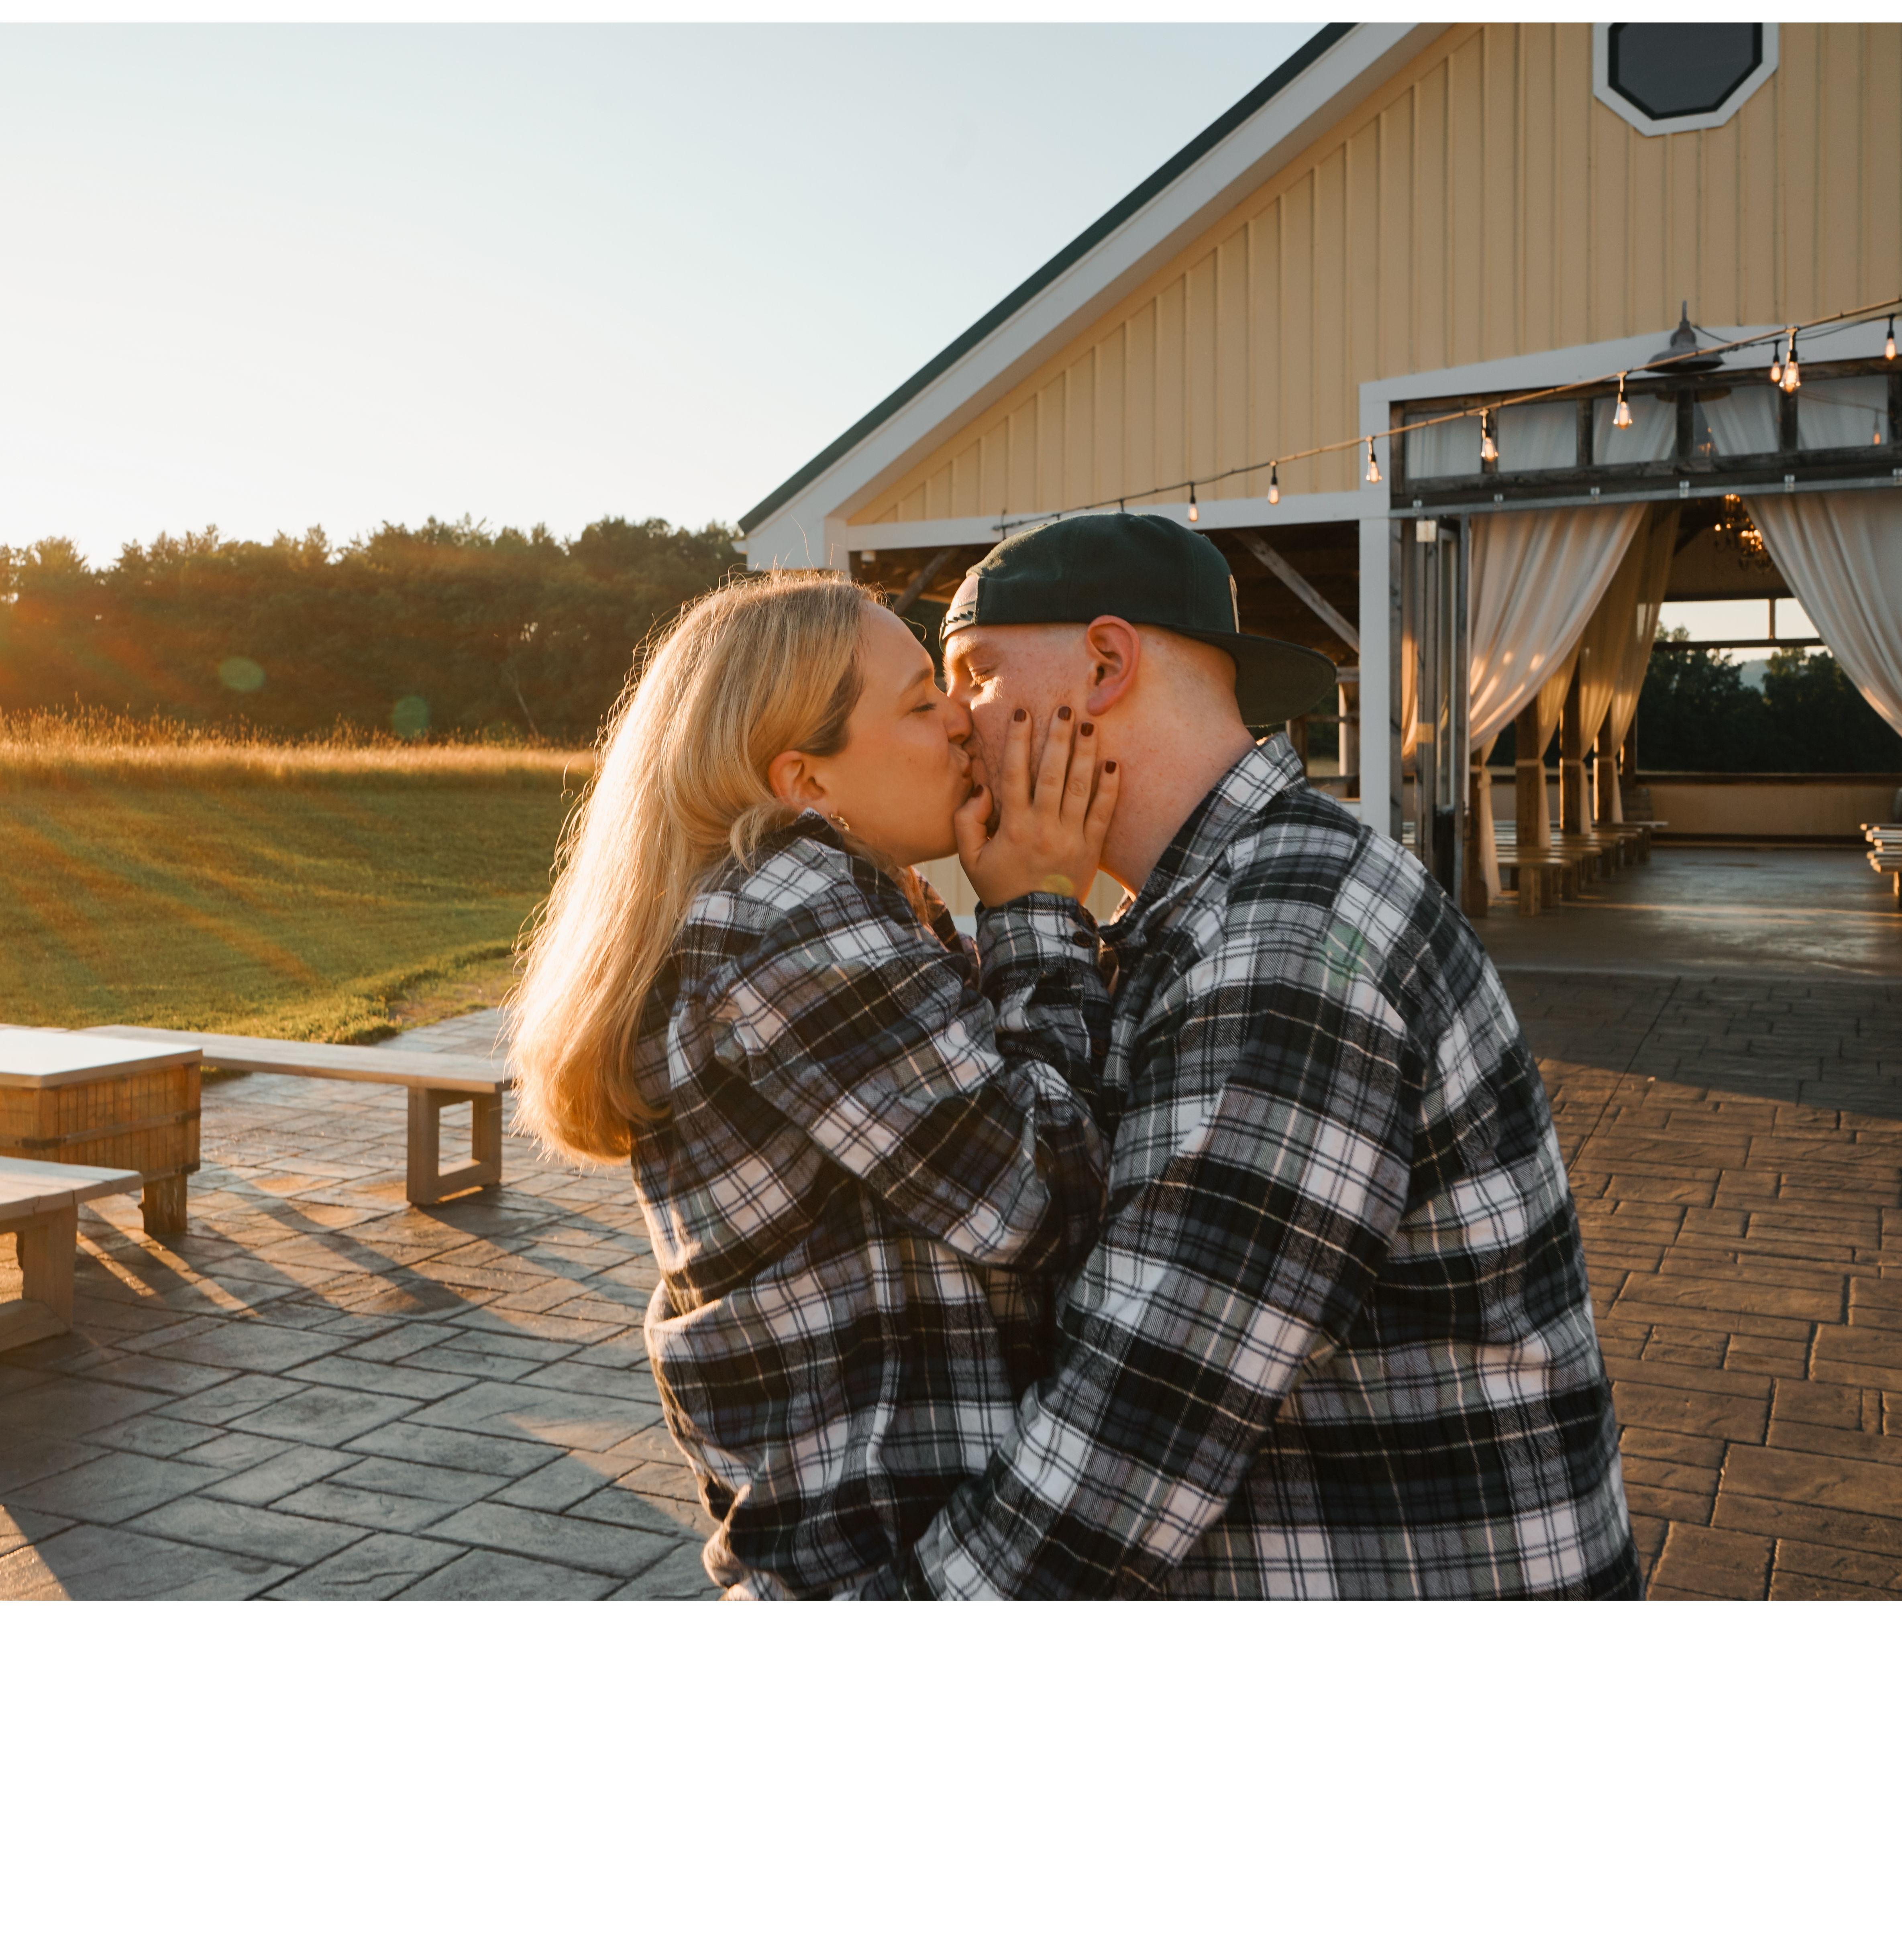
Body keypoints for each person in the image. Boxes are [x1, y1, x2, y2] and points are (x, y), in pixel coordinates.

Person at [901, 509, 1638, 1599]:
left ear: (1105, 664)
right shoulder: (1246, 892)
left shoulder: (1280, 942)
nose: (956, 722)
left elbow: (1132, 1448)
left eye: (972, 672)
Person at [512, 568, 1123, 1597]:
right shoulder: (785, 908)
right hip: (885, 1558)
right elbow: (1039, 1194)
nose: (963, 726)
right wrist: (1039, 909)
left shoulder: (834, 903)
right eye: (923, 702)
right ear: (806, 782)